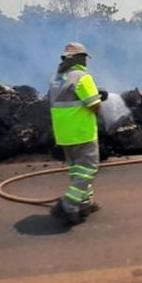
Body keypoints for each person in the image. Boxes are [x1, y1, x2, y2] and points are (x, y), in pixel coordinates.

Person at [48, 42, 108, 225]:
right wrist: (103, 115)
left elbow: (69, 99)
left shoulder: (56, 79)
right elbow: (94, 105)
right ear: (82, 59)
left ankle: (85, 202)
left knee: (76, 168)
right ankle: (69, 204)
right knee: (88, 169)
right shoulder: (82, 77)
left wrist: (97, 95)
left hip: (63, 133)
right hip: (82, 132)